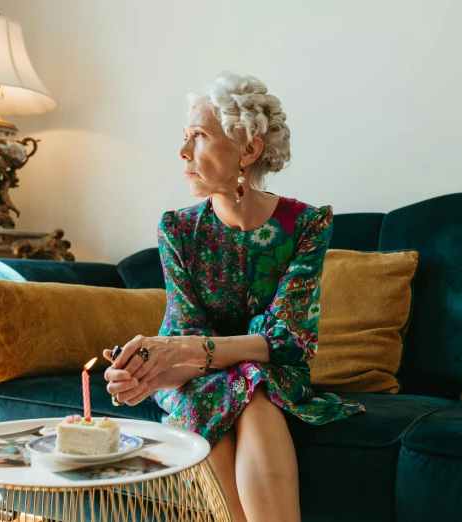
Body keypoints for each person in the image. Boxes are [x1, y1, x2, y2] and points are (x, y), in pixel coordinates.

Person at [103, 72, 364, 522]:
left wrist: (181, 350)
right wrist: (147, 376)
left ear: (249, 149)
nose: (183, 152)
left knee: (253, 385)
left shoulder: (306, 224)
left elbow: (287, 341)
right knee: (234, 388)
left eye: (200, 136)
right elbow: (185, 337)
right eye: (185, 137)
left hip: (270, 375)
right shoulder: (178, 229)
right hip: (195, 377)